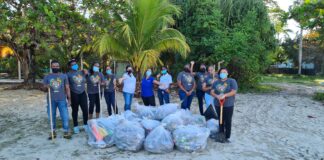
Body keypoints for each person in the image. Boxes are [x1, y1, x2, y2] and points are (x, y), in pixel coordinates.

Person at [43, 60, 71, 139]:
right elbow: (43, 88)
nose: (55, 67)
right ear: (51, 67)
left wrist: (69, 99)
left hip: (62, 99)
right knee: (51, 116)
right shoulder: (47, 76)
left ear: (59, 67)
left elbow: (67, 88)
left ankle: (66, 131)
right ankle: (53, 131)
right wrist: (46, 87)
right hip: (51, 100)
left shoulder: (64, 76)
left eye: (57, 66)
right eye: (54, 66)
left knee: (65, 116)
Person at [211, 68, 238, 143]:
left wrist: (224, 95)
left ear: (227, 73)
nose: (223, 73)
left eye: (224, 72)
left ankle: (227, 136)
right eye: (221, 72)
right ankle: (221, 134)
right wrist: (217, 96)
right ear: (219, 74)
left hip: (228, 104)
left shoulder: (231, 81)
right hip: (217, 104)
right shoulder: (216, 82)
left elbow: (233, 92)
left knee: (228, 120)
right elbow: (212, 92)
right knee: (220, 119)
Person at [67, 59, 88, 134]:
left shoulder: (81, 72)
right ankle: (76, 126)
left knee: (85, 110)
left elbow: (87, 77)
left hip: (83, 93)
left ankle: (86, 125)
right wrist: (68, 97)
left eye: (75, 64)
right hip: (74, 94)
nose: (75, 65)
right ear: (69, 66)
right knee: (75, 110)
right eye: (72, 64)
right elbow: (67, 86)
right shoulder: (68, 75)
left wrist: (86, 72)